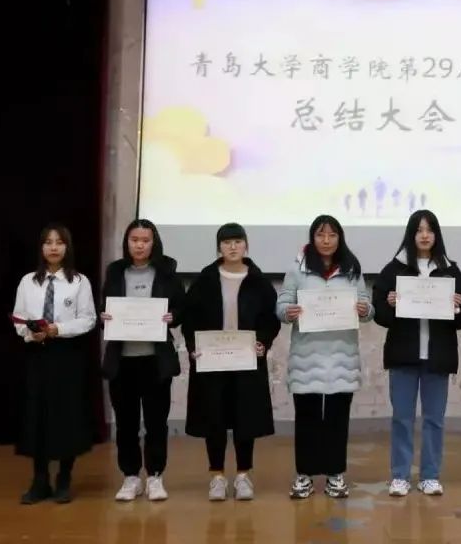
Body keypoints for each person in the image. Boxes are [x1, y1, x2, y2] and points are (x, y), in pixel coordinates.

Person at [372, 210, 461, 496]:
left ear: (437, 235)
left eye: (429, 230)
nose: (425, 235)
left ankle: (430, 475)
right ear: (411, 234)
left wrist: (456, 306)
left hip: (438, 357)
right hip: (403, 356)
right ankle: (400, 475)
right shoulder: (394, 269)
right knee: (402, 418)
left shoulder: (450, 270)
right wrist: (390, 303)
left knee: (434, 419)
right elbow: (379, 313)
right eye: (419, 230)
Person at [182, 223, 280, 501]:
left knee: (244, 418)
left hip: (246, 360)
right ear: (219, 247)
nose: (233, 247)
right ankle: (217, 476)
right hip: (212, 361)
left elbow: (270, 320)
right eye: (226, 242)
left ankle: (243, 475)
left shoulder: (258, 281)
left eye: (237, 241)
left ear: (246, 245)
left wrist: (263, 341)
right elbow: (190, 318)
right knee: (213, 417)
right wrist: (193, 347)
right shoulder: (205, 279)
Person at [278, 215, 373, 499]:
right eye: (321, 235)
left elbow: (367, 306)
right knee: (306, 419)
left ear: (339, 238)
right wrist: (288, 312)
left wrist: (365, 310)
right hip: (306, 358)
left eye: (332, 235)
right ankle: (304, 475)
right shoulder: (297, 270)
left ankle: (335, 474)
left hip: (342, 358)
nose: (326, 240)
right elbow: (282, 304)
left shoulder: (352, 269)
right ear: (312, 238)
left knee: (337, 419)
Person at [99, 218, 185, 501]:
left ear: (153, 243)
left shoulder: (167, 271)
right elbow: (104, 308)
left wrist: (173, 316)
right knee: (126, 423)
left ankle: (156, 476)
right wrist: (104, 316)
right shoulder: (115, 271)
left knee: (156, 422)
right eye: (134, 240)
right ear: (127, 242)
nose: (139, 245)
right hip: (122, 361)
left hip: (155, 361)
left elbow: (181, 308)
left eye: (145, 240)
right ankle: (131, 477)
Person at [11, 224, 96, 504]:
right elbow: (19, 318)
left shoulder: (79, 281)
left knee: (66, 414)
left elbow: (88, 319)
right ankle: (40, 480)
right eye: (48, 242)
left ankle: (64, 478)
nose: (54, 247)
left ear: (67, 247)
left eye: (59, 242)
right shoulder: (28, 281)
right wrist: (30, 333)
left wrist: (58, 329)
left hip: (67, 354)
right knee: (37, 415)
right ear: (41, 248)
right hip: (37, 354)